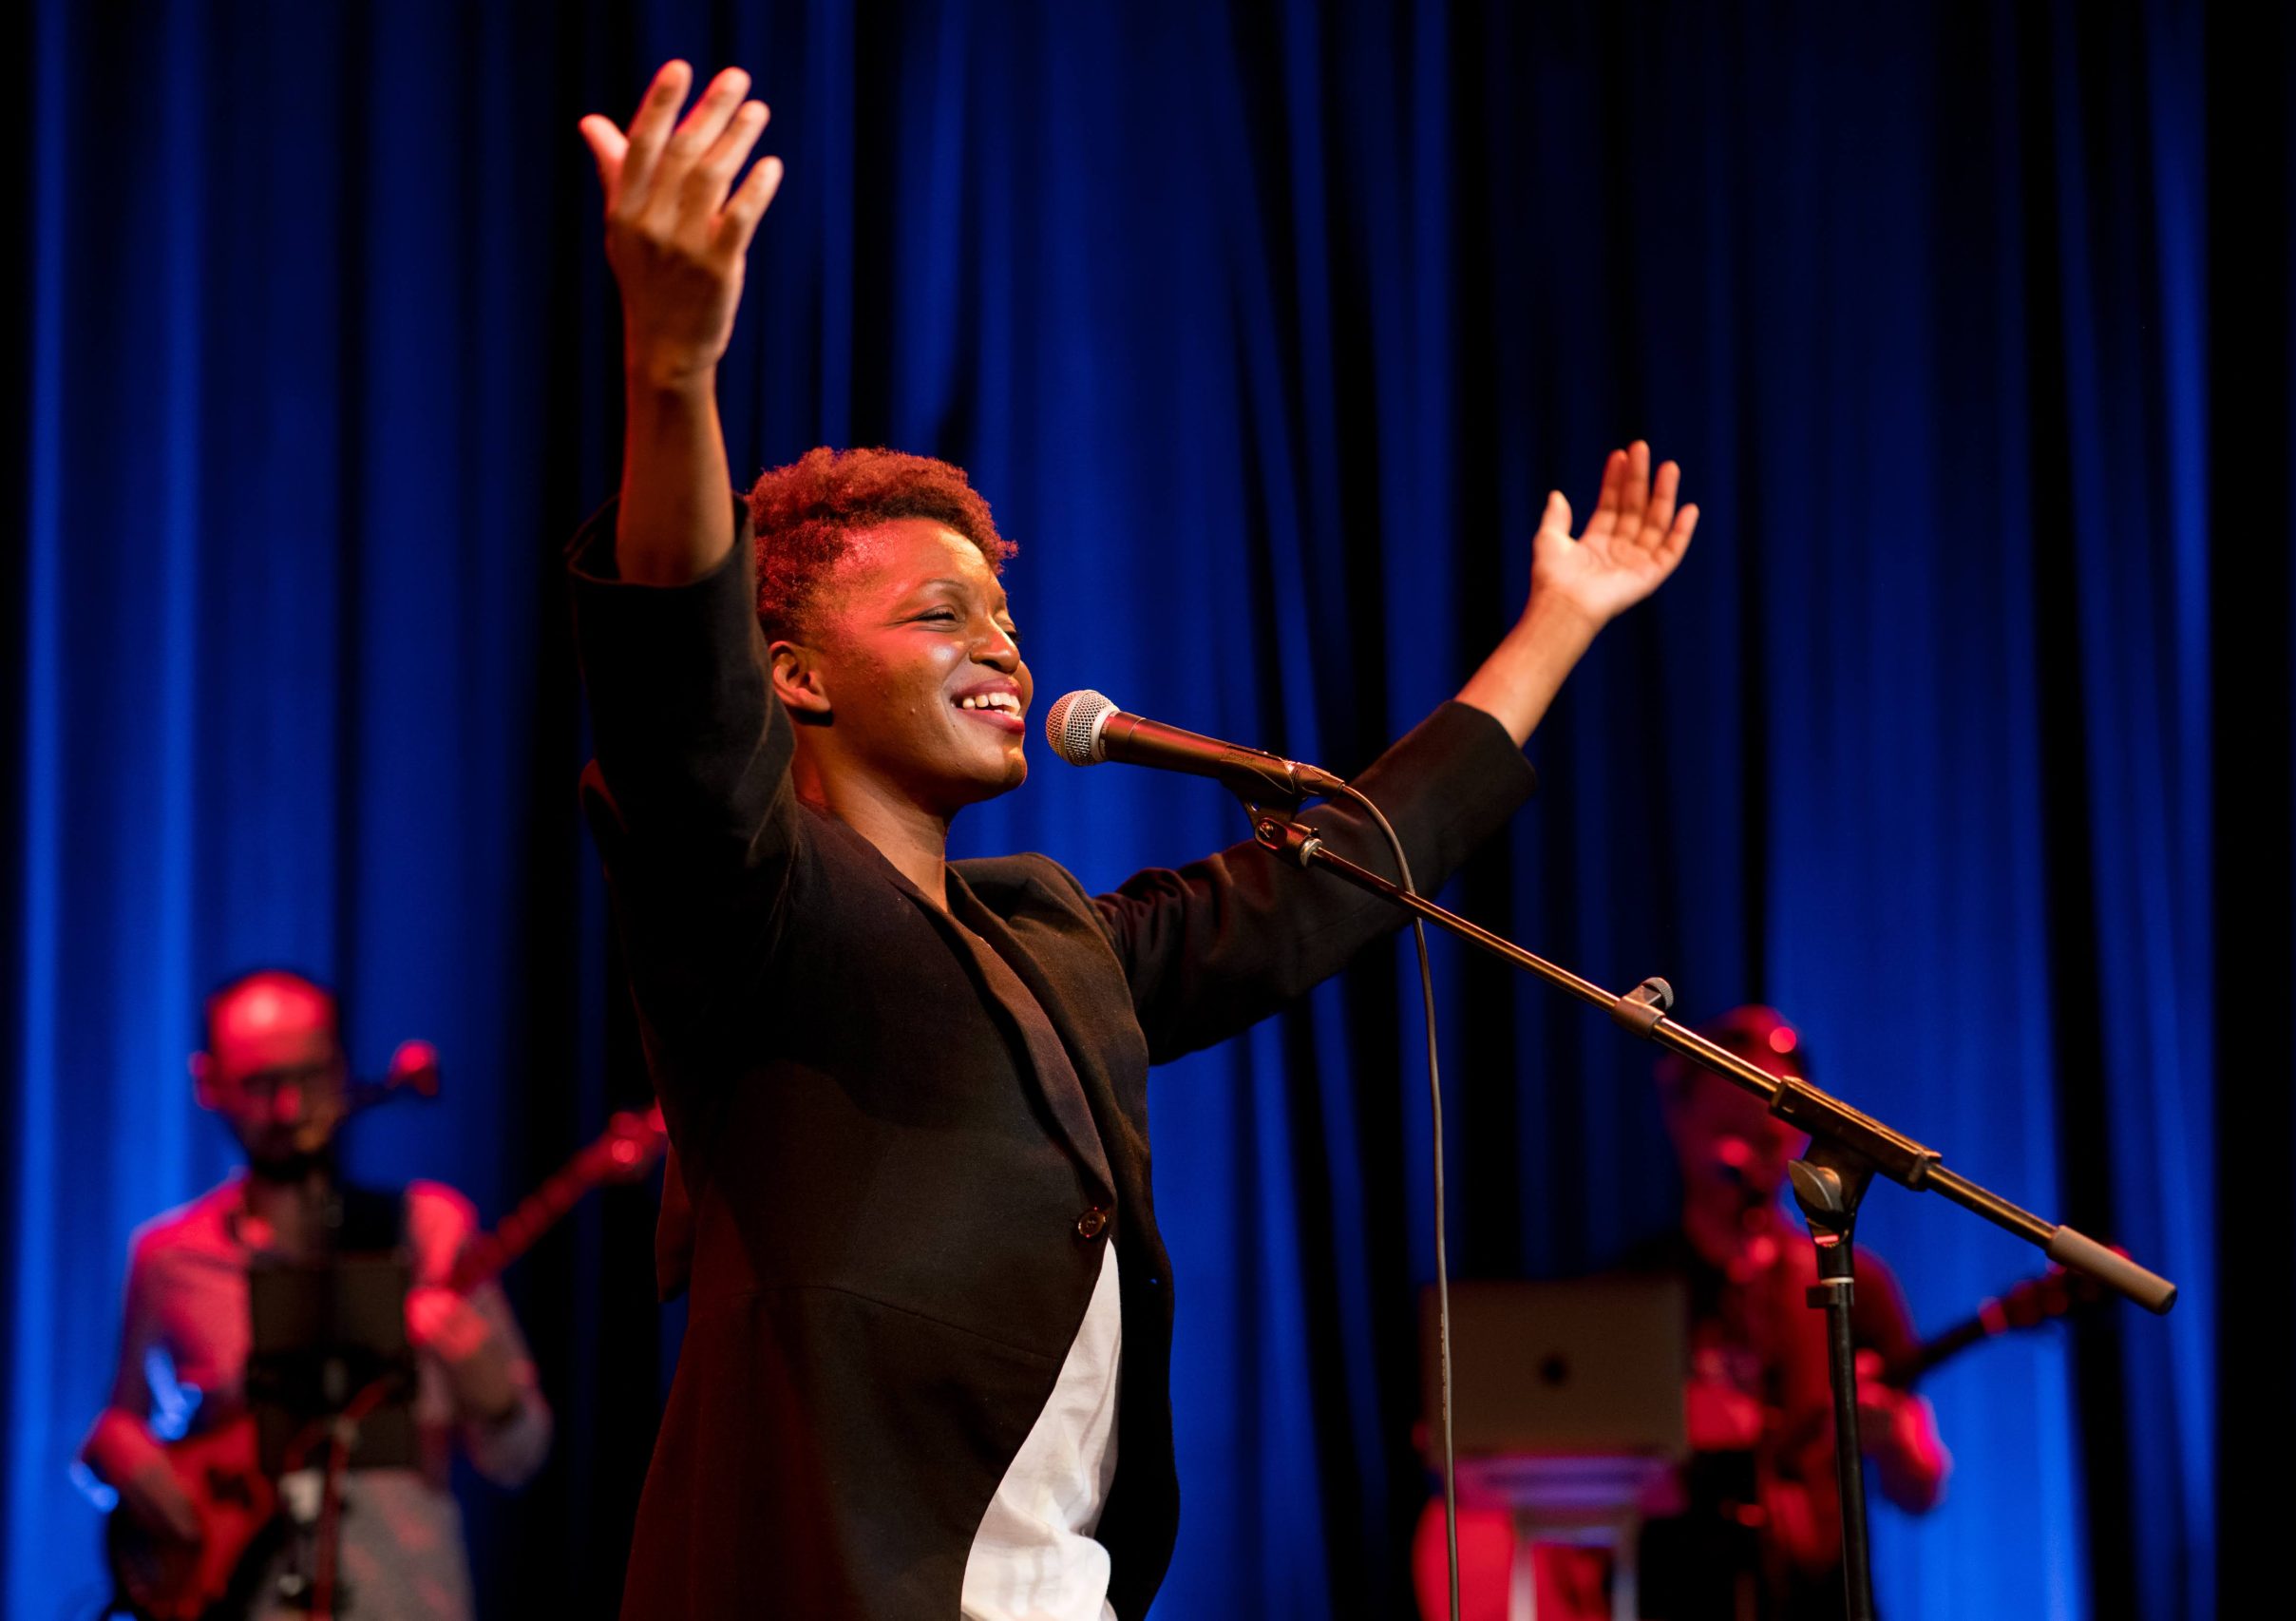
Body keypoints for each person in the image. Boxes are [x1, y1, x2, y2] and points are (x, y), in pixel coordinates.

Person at [567, 60, 1699, 1620]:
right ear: (799, 675)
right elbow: (679, 707)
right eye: (940, 613)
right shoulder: (753, 913)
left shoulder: (1053, 945)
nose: (1003, 647)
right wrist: (676, 366)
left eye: (1009, 614)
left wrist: (1559, 624)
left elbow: (1337, 879)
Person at [1413, 1007, 1950, 1621]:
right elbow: (1577, 1489)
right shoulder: (1630, 1293)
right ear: (1680, 1118)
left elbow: (1923, 1487)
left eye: (1770, 1131)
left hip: (1821, 1598)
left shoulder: (1850, 1280)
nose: (1748, 1150)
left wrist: (1892, 1442)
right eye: (1729, 1125)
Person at [80, 970, 552, 1621]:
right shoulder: (169, 1258)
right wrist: (122, 1457)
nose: (288, 1110)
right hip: (239, 1600)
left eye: (308, 1077)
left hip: (409, 1600)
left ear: (341, 1070)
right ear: (208, 1083)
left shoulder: (428, 1231)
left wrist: (494, 1395)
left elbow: (522, 1456)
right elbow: (121, 1425)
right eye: (259, 1084)